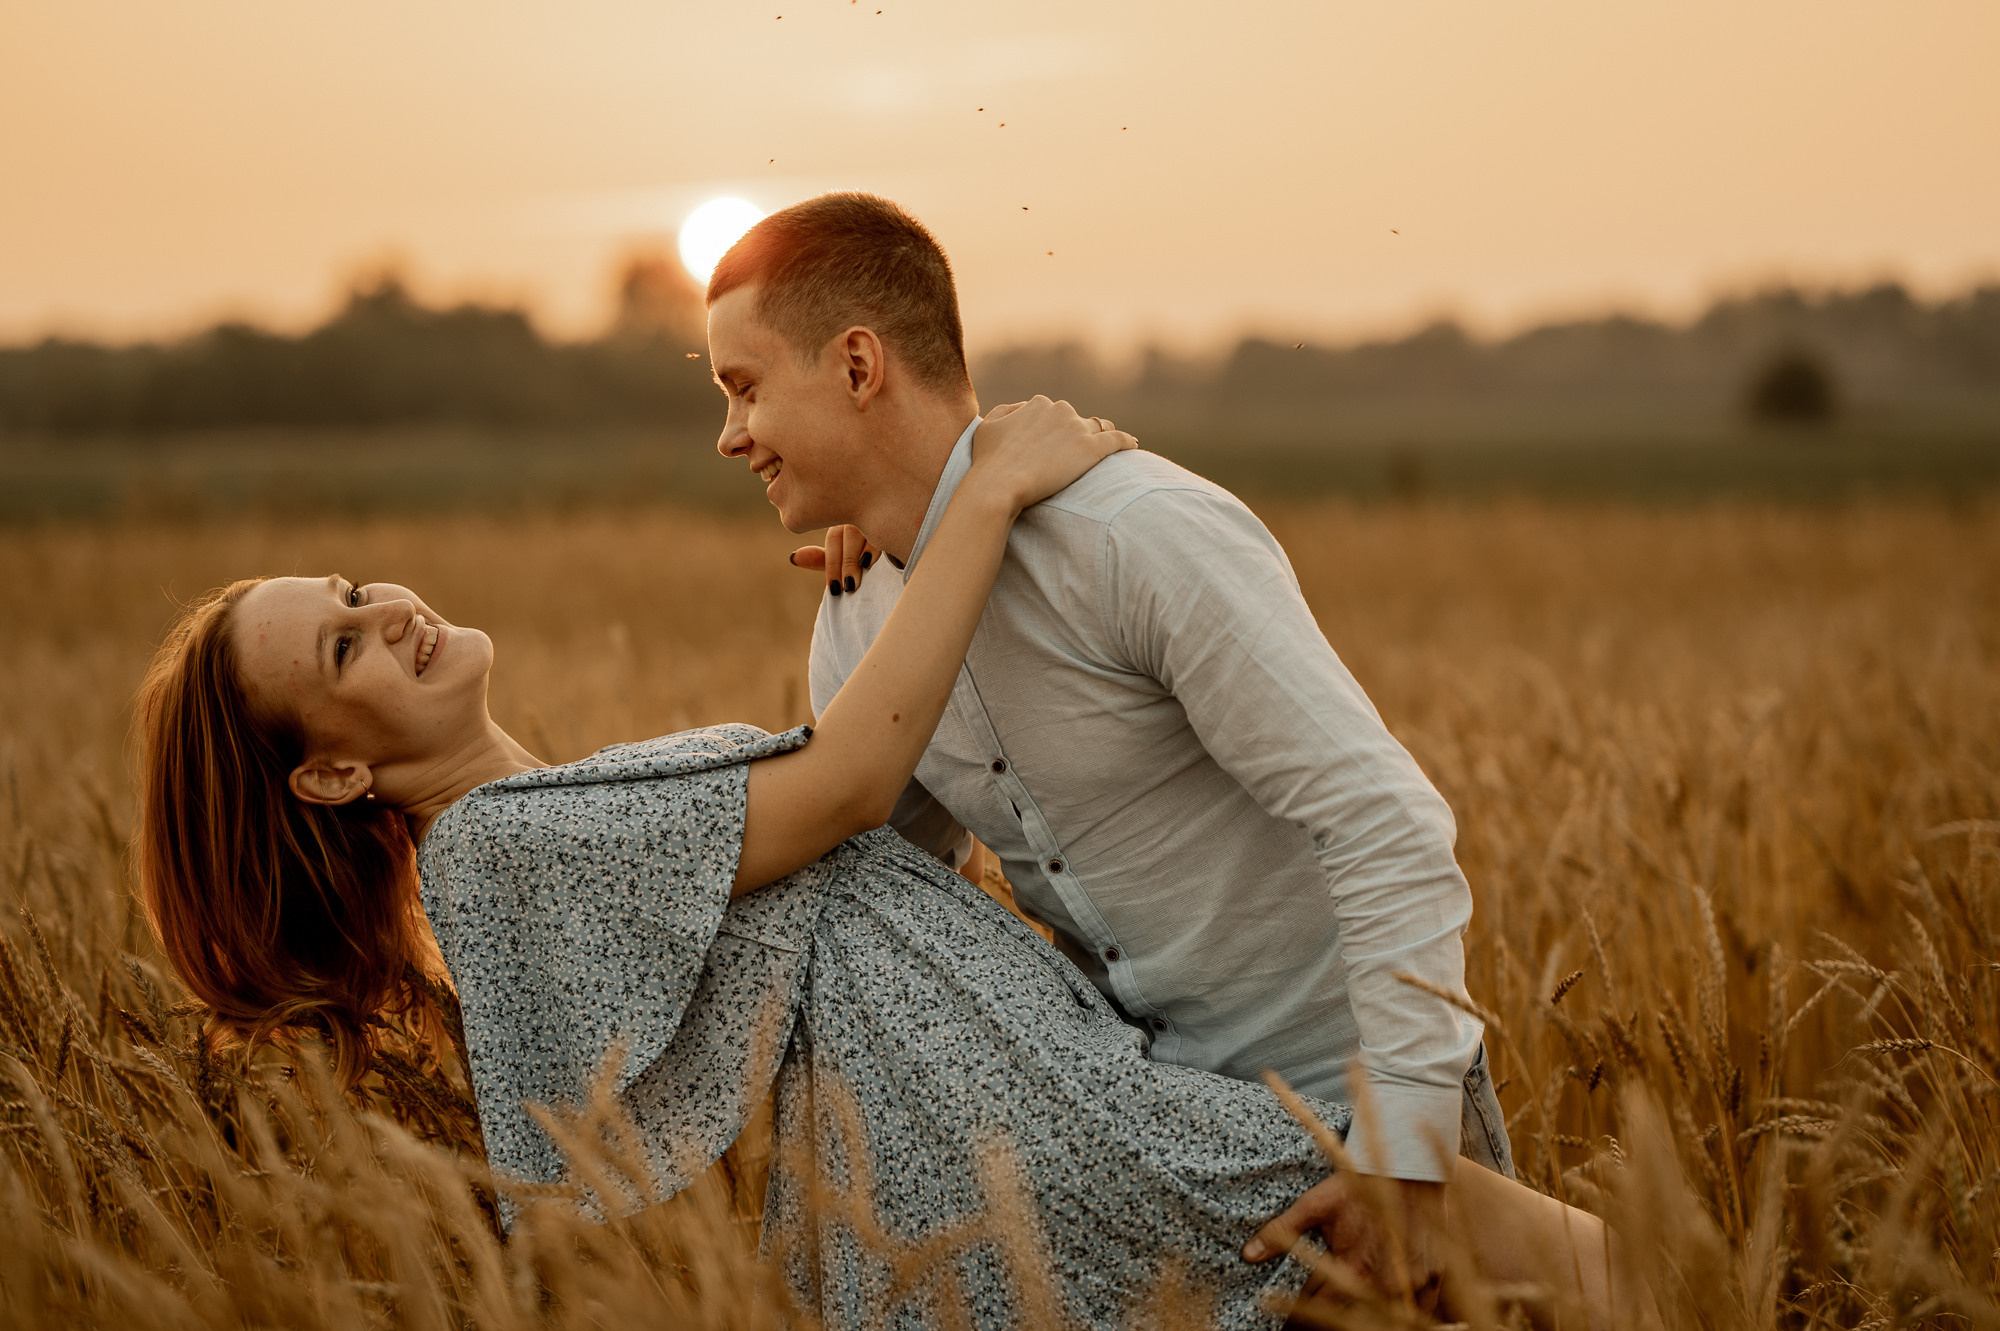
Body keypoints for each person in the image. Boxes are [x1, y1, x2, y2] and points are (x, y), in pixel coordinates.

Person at [136, 401, 1635, 1329]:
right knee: (1535, 1253)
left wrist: (890, 559)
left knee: (1462, 1264)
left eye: (351, 589)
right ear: (331, 773)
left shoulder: (548, 819)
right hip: (1051, 1163)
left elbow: (872, 851)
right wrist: (977, 498)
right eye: (343, 647)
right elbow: (850, 780)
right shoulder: (497, 855)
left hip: (1034, 1144)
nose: (385, 611)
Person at [709, 192, 1511, 1282]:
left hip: (1367, 1125)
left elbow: (1380, 817)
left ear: (857, 365)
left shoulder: (1131, 533)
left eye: (744, 387)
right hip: (1161, 1160)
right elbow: (898, 919)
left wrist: (1405, 1148)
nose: (728, 434)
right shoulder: (856, 630)